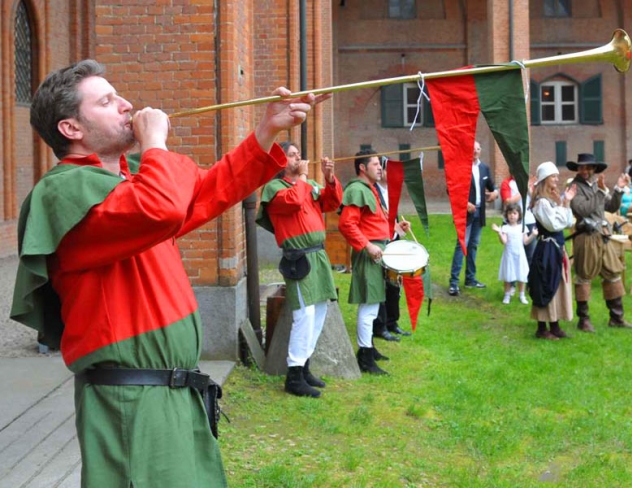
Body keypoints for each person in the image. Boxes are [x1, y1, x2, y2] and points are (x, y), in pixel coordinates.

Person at [10, 59, 328, 487]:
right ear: (71, 129)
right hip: (132, 399)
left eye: (119, 95)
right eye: (106, 101)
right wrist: (154, 142)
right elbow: (160, 208)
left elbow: (212, 189)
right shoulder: (62, 191)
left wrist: (267, 129)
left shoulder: (134, 183)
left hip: (173, 392)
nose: (126, 105)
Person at [256, 142, 342, 398]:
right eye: (292, 155)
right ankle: (293, 376)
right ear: (281, 162)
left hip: (318, 254)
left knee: (320, 310)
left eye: (298, 155)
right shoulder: (274, 189)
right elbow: (294, 201)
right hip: (299, 258)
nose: (298, 158)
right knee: (304, 313)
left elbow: (331, 202)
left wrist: (328, 178)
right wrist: (303, 176)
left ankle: (304, 366)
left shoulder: (310, 185)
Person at [338, 149, 410, 375]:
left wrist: (396, 230)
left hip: (379, 251)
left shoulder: (372, 190)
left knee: (376, 301)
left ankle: (369, 347)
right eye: (376, 164)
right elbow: (347, 225)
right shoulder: (357, 190)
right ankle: (365, 357)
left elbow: (374, 224)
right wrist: (367, 246)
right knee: (369, 306)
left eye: (380, 165)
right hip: (369, 253)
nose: (380, 168)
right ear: (362, 167)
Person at [567, 153, 632, 331]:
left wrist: (618, 190)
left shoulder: (595, 186)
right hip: (586, 237)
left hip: (603, 236)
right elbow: (582, 209)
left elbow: (611, 206)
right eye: (582, 167)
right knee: (584, 277)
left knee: (613, 274)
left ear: (594, 169)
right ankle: (584, 320)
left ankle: (616, 318)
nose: (585, 170)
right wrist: (599, 191)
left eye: (588, 167)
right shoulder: (574, 187)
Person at [528, 162, 576, 340]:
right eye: (553, 176)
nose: (557, 179)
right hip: (547, 249)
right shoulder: (541, 203)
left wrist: (565, 203)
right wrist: (562, 207)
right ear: (545, 179)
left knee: (557, 284)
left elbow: (569, 222)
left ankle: (554, 325)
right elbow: (554, 224)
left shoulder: (551, 201)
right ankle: (542, 328)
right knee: (546, 284)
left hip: (556, 248)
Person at [448, 140, 498, 296]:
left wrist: (495, 192)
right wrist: (465, 203)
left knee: (473, 245)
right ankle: (454, 283)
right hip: (465, 214)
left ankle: (470, 279)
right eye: (472, 149)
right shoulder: (461, 168)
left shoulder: (484, 168)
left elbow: (492, 186)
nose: (475, 151)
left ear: (480, 150)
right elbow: (451, 190)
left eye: (478, 148)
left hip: (479, 212)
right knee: (461, 246)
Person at [372, 160, 410, 342]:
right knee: (381, 285)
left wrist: (400, 227)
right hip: (380, 244)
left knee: (395, 285)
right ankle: (379, 326)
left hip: (393, 241)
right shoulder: (374, 191)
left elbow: (392, 217)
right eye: (389, 170)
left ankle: (392, 322)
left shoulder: (391, 191)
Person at [491, 203, 538, 305]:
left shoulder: (522, 227)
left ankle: (522, 295)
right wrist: (499, 233)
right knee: (508, 275)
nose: (512, 215)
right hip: (509, 255)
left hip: (520, 255)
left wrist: (533, 235)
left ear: (519, 215)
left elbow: (525, 241)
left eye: (514, 213)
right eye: (510, 213)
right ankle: (507, 295)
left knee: (521, 275)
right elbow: (504, 241)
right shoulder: (506, 228)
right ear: (506, 215)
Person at [500, 172, 537, 265]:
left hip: (528, 221)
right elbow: (508, 202)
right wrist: (523, 189)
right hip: (512, 222)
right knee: (511, 253)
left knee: (530, 254)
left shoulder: (529, 183)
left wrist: (528, 188)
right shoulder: (507, 183)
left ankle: (529, 278)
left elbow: (535, 200)